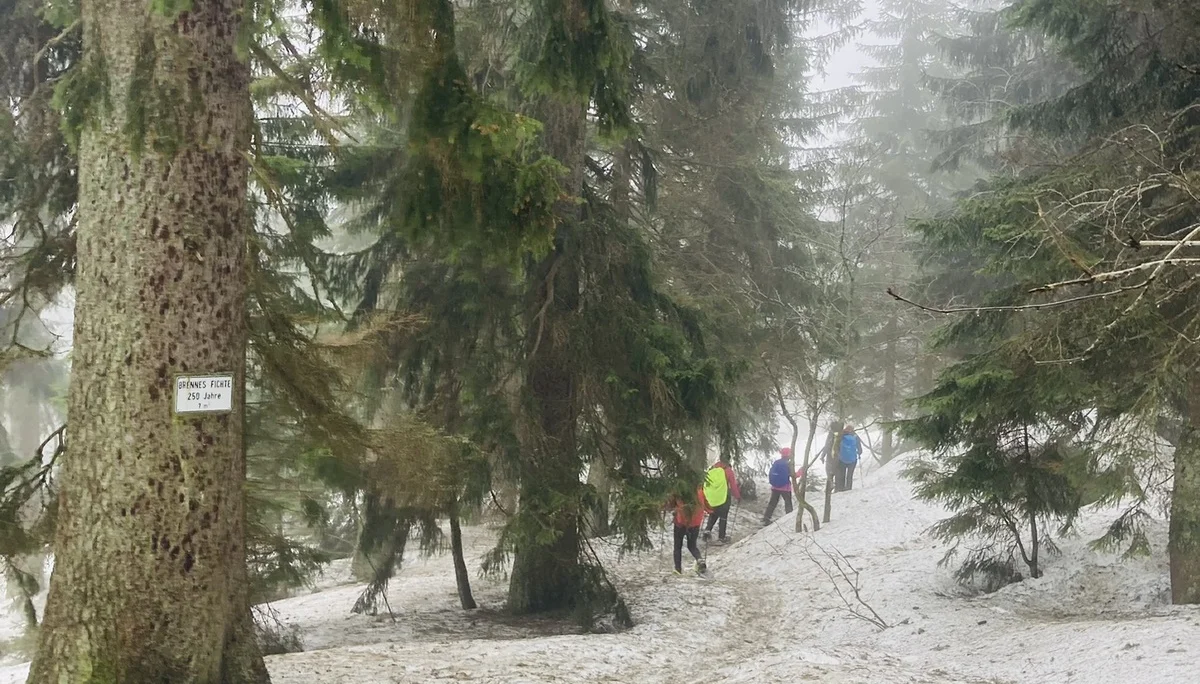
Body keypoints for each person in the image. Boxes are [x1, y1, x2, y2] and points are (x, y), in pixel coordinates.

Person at [666, 487, 708, 575]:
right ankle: (699, 559)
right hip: (695, 523)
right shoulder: (700, 490)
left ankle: (678, 569)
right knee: (692, 546)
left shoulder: (679, 489)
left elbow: (671, 504)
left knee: (677, 546)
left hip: (680, 522)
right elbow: (706, 504)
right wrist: (710, 510)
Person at [702, 458, 740, 544]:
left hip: (712, 497)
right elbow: (733, 485)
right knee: (723, 517)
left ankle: (707, 531)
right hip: (723, 497)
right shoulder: (728, 470)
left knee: (713, 514)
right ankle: (721, 537)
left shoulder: (712, 469)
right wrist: (737, 496)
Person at [762, 447, 799, 524]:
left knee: (772, 503)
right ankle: (789, 519)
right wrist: (801, 472)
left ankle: (766, 518)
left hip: (775, 486)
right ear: (789, 455)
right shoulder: (788, 464)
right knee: (788, 503)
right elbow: (793, 475)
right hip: (785, 487)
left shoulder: (777, 462)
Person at [836, 423, 863, 491]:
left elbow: (836, 444)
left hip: (842, 458)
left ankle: (841, 488)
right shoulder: (855, 436)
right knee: (849, 475)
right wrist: (859, 453)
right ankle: (848, 488)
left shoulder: (841, 435)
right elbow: (859, 448)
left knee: (842, 474)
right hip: (852, 459)